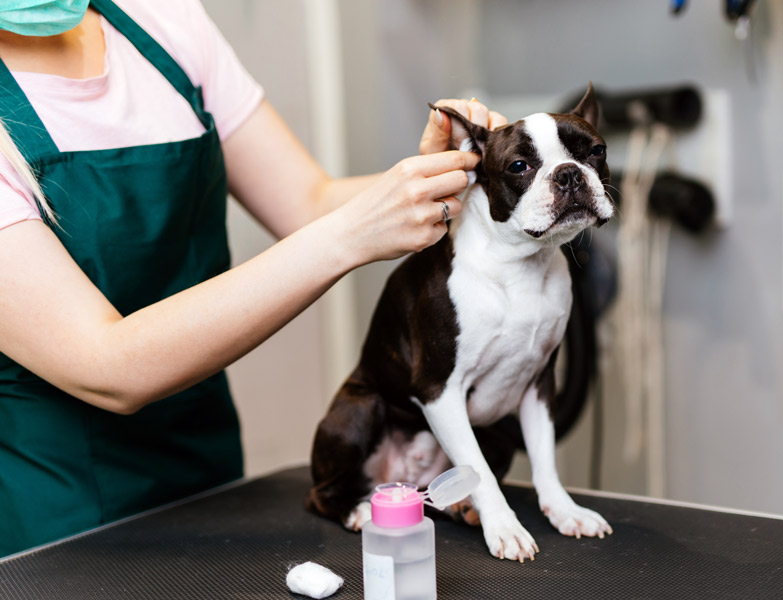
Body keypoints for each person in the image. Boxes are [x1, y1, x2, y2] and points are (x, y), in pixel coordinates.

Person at [0, 0, 508, 560]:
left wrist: (446, 181)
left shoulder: (162, 21)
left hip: (211, 478)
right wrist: (351, 235)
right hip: (57, 519)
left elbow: (306, 201)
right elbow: (106, 365)